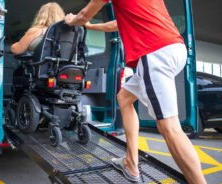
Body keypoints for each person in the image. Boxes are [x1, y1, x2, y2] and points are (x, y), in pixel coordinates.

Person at [64, 0, 206, 183]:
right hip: (174, 48)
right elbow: (117, 24)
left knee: (169, 128)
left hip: (154, 52)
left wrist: (71, 20)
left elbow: (84, 14)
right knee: (123, 98)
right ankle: (131, 163)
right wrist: (90, 26)